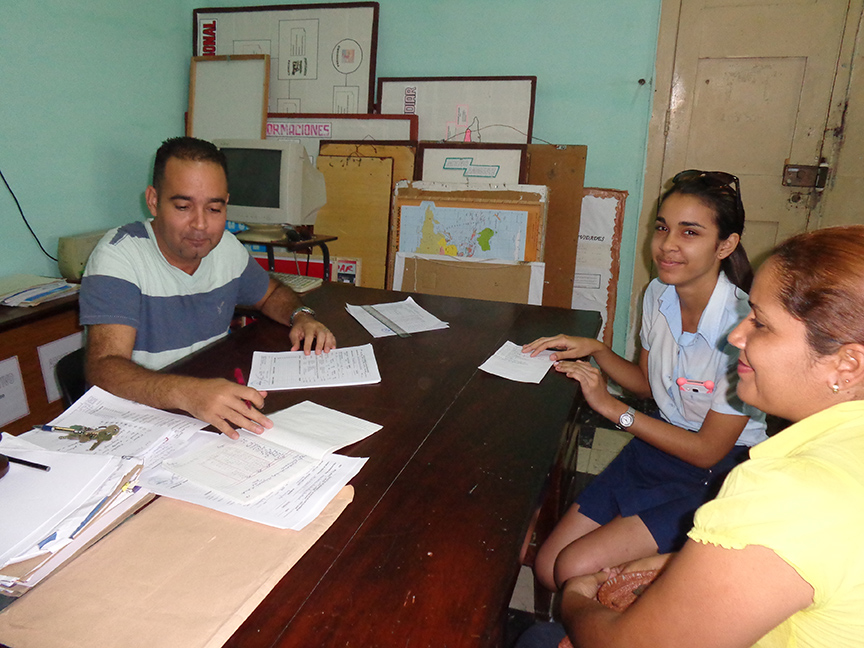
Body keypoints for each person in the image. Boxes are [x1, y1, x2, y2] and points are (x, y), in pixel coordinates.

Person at [555, 225, 864, 647]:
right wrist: (680, 564)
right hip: (661, 454)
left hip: (696, 465)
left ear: (847, 365)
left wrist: (574, 599)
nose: (737, 336)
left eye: (762, 325)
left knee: (554, 607)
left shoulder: (788, 491)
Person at [523, 170, 767, 592]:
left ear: (725, 245)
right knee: (549, 569)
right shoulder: (658, 293)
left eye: (689, 232)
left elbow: (708, 450)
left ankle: (653, 597)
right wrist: (597, 350)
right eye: (661, 228)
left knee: (574, 570)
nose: (667, 245)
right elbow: (648, 386)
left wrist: (613, 410)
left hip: (720, 469)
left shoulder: (742, 329)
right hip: (659, 445)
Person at [79, 136, 336, 439]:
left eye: (214, 209)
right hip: (138, 420)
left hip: (205, 409)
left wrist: (301, 315)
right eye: (183, 206)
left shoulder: (225, 247)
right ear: (153, 200)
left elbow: (272, 294)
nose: (200, 225)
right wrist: (189, 393)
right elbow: (104, 368)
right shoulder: (119, 256)